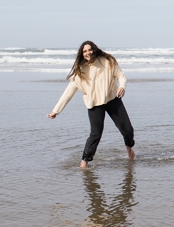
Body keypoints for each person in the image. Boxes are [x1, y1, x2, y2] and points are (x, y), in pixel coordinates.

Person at [47, 41, 136, 169]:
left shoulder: (107, 61)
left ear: (94, 49)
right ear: (82, 54)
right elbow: (68, 92)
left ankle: (129, 148)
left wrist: (122, 86)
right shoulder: (80, 70)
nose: (88, 53)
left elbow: (120, 75)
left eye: (89, 50)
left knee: (127, 130)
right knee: (95, 134)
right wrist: (56, 110)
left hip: (112, 99)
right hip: (94, 104)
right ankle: (84, 162)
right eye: (84, 51)